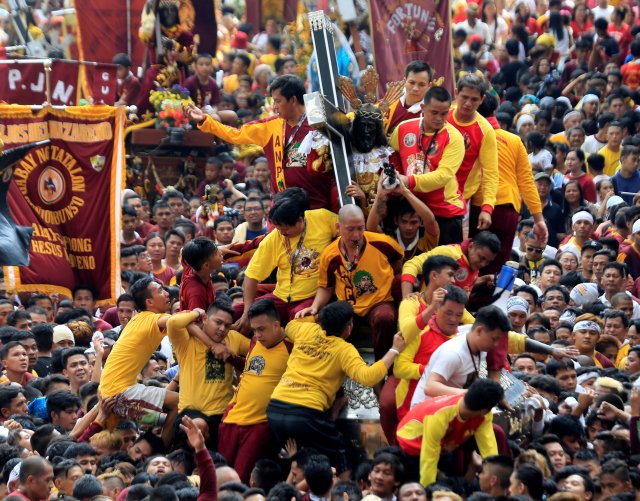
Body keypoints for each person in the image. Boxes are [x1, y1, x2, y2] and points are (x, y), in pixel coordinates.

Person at [268, 301, 406, 472]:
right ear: (348, 327)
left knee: (304, 461)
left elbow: (290, 325)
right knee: (341, 458)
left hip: (275, 408)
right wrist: (394, 350)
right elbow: (369, 377)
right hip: (306, 414)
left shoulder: (306, 330)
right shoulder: (343, 350)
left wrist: (315, 316)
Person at [186, 75, 337, 210]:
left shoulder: (320, 120)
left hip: (318, 208)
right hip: (283, 208)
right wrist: (205, 120)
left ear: (293, 100)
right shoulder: (270, 125)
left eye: (277, 101)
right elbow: (235, 135)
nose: (274, 107)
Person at [99, 278, 213, 446]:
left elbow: (181, 325)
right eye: (160, 291)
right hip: (120, 392)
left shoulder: (139, 319)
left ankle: (153, 446)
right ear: (149, 302)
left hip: (110, 390)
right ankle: (163, 449)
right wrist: (197, 312)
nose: (167, 293)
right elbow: (176, 321)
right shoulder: (151, 319)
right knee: (180, 403)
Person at [295, 205, 403, 360]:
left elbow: (398, 265)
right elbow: (326, 287)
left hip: (379, 302)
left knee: (384, 317)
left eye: (360, 228)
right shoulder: (330, 254)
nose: (356, 235)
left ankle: (382, 370)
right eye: (350, 229)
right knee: (325, 319)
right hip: (347, 305)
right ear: (338, 228)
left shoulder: (383, 243)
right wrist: (314, 307)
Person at [233, 188, 338, 332]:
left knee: (299, 324)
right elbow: (251, 276)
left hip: (311, 296)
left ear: (300, 220)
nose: (282, 233)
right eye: (278, 228)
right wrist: (246, 312)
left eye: (285, 229)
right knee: (233, 312)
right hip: (281, 296)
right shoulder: (275, 236)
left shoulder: (323, 219)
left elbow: (349, 228)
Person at [218, 299, 293, 484]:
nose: (257, 334)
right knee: (219, 478)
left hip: (259, 423)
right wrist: (232, 358)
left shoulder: (292, 347)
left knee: (241, 479)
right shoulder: (254, 342)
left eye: (262, 329)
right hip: (231, 417)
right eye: (254, 330)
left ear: (276, 325)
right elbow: (252, 369)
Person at [475, 94, 547, 272]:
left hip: (478, 207)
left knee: (473, 264)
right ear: (494, 111)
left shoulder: (468, 135)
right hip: (507, 209)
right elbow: (527, 182)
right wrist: (538, 219)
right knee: (499, 268)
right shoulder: (514, 140)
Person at [167, 300, 250, 450]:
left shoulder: (233, 338)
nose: (222, 329)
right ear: (205, 319)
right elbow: (173, 322)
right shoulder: (186, 341)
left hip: (223, 415)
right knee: (198, 427)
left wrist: (236, 359)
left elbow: (258, 348)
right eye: (218, 322)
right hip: (191, 413)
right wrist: (198, 311)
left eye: (227, 325)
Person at [390, 86, 466, 244]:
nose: (439, 118)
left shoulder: (454, 138)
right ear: (423, 108)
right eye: (434, 112)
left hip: (444, 212)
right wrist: (396, 176)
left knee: (444, 266)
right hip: (411, 210)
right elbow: (392, 155)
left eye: (444, 113)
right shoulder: (404, 128)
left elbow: (443, 176)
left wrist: (408, 181)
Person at [397, 378, 505, 487]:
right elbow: (428, 458)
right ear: (484, 410)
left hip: (444, 443)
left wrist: (497, 481)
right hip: (412, 444)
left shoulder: (484, 416)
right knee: (420, 485)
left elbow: (489, 448)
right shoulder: (439, 416)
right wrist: (429, 492)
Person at [411, 305, 511, 406]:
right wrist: (470, 394)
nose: (496, 344)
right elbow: (430, 387)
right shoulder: (453, 352)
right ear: (479, 331)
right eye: (494, 339)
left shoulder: (477, 339)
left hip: (447, 406)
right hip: (425, 412)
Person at [447, 75, 499, 234]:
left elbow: (491, 173)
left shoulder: (486, 130)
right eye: (464, 97)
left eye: (474, 99)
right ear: (456, 93)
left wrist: (487, 207)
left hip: (460, 202)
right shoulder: (441, 116)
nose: (468, 103)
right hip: (429, 193)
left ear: (482, 99)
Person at [401, 231, 501, 298]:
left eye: (488, 261)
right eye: (481, 258)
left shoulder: (473, 261)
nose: (483, 264)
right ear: (471, 246)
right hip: (424, 313)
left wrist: (485, 279)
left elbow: (465, 284)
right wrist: (407, 297)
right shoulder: (450, 253)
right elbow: (411, 264)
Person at [384, 61, 432, 134]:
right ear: (404, 81)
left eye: (421, 85)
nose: (415, 88)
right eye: (412, 83)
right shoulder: (389, 102)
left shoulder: (431, 112)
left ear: (429, 86)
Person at [179, 237, 221, 311]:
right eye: (217, 254)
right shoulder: (196, 294)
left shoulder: (192, 265)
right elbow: (197, 321)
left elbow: (182, 251)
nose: (221, 254)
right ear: (206, 265)